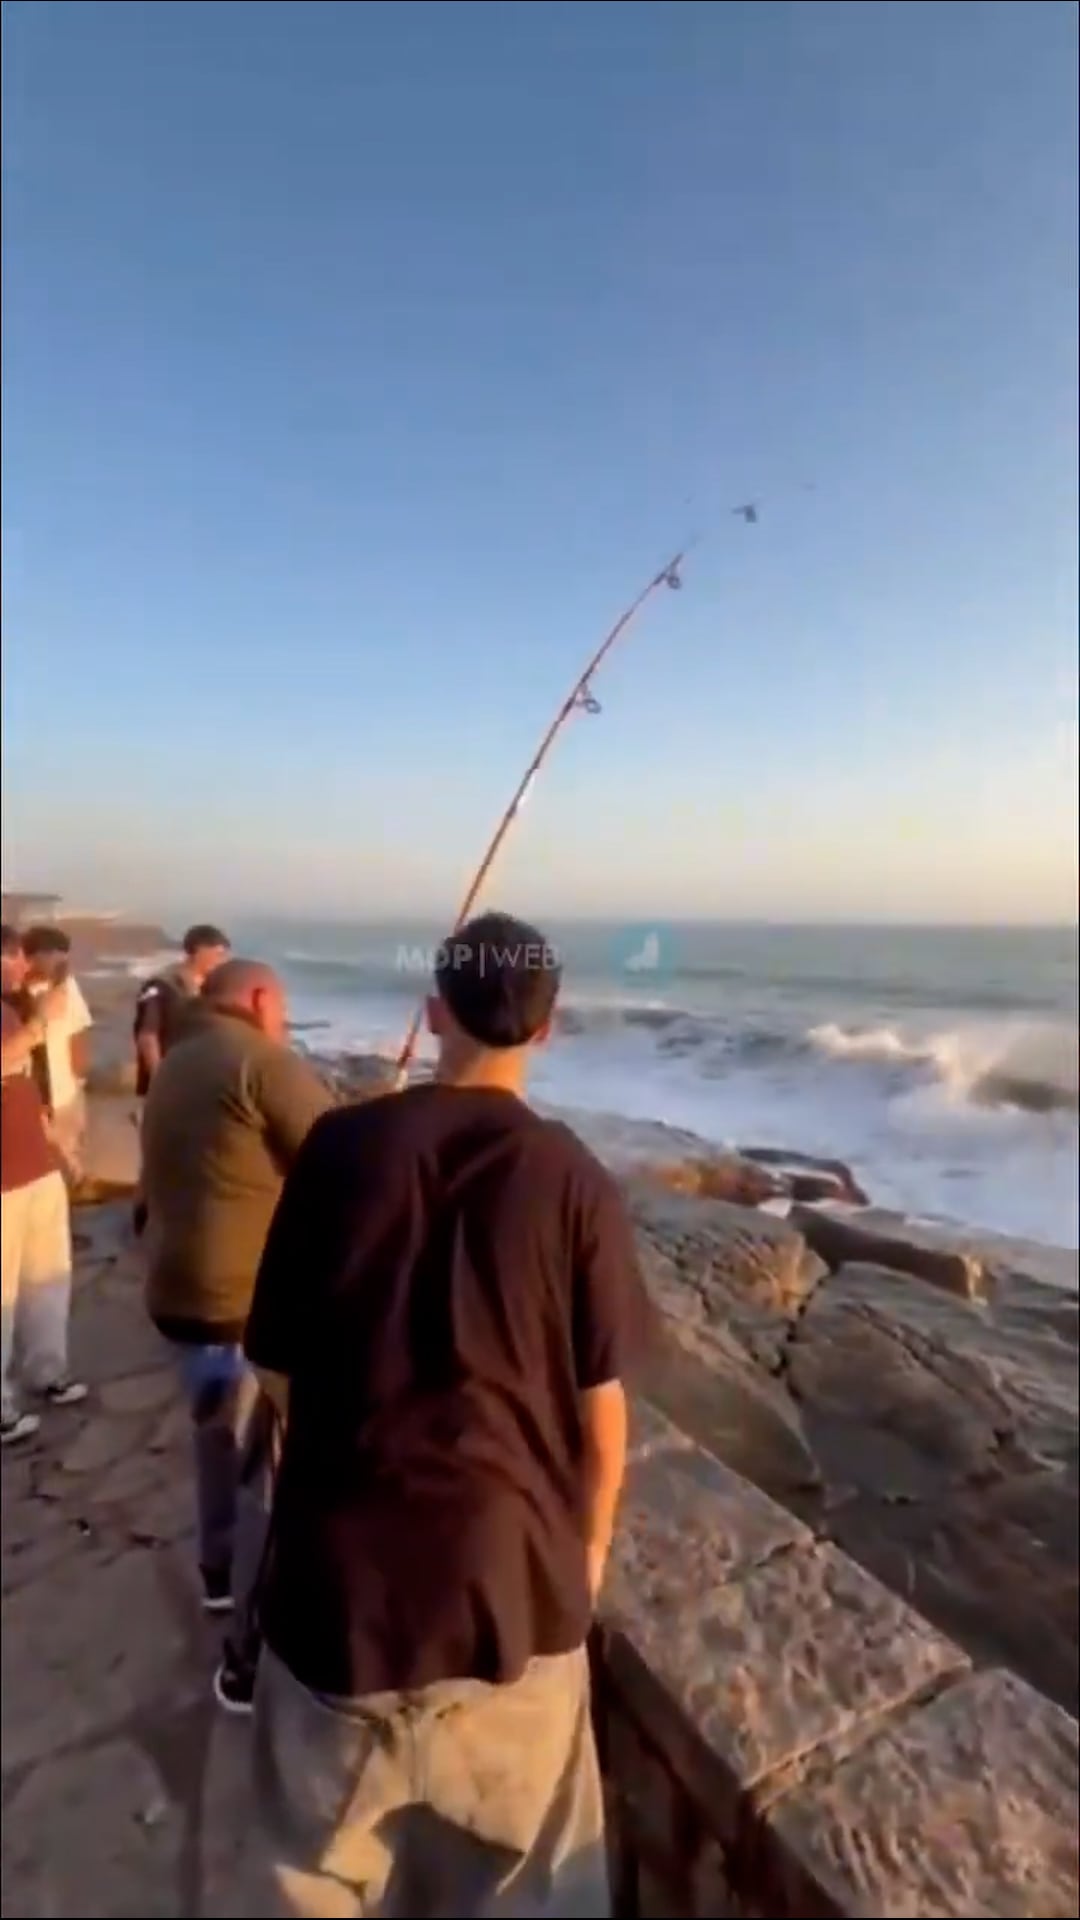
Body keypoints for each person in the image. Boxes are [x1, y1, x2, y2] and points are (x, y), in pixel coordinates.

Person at [243, 911, 652, 1919]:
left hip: (336, 1602)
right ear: (549, 1031)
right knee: (533, 1887)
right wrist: (586, 1555)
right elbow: (605, 1423)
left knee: (309, 1880)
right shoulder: (574, 1181)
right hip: (511, 1593)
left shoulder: (338, 1149)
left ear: (433, 1016)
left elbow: (276, 1370)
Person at [140, 957, 333, 1710]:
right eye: (282, 1009)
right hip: (239, 1303)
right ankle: (246, 1654)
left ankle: (218, 1572)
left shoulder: (181, 1057)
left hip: (178, 1294)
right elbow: (339, 1156)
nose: (284, 1024)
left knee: (216, 1436)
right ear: (258, 1000)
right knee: (263, 1473)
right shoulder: (258, 1060)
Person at [2, 929, 88, 1447]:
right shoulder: (20, 1017)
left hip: (36, 1168)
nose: (16, 965)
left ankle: (46, 1371)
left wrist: (62, 1150)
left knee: (48, 1278)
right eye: (6, 956)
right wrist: (39, 1022)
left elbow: (28, 1088)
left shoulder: (12, 1008)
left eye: (15, 956)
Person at [22, 924, 94, 1185]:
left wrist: (80, 1078)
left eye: (64, 953)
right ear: (31, 956)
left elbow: (78, 1030)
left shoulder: (67, 987)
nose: (62, 959)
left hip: (64, 1087)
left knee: (69, 1151)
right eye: (54, 953)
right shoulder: (15, 992)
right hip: (27, 1089)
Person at [133, 922, 231, 1095]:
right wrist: (160, 1080)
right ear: (199, 951)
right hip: (170, 1079)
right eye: (218, 954)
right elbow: (148, 1036)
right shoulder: (162, 985)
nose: (222, 961)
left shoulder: (215, 988)